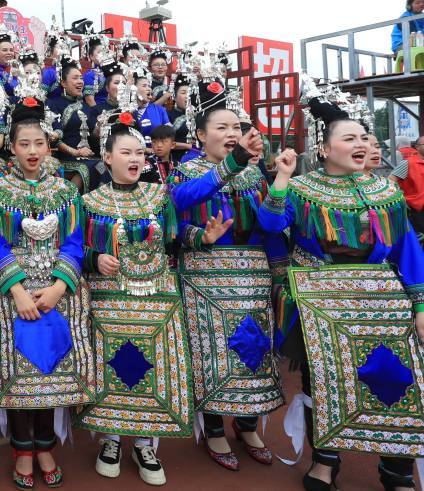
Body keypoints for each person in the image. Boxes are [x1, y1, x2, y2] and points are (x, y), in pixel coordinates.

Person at [262, 82, 424, 491]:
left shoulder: (384, 189)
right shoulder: (301, 190)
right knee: (324, 379)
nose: (360, 144)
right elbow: (270, 225)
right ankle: (325, 461)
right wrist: (282, 176)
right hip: (320, 301)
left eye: (363, 137)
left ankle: (396, 467)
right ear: (324, 149)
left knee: (392, 377)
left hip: (380, 298)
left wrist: (420, 305)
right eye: (348, 138)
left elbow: (406, 251)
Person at [169, 75, 287, 472]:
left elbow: (269, 225)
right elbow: (181, 205)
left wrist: (281, 180)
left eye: (237, 127)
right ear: (200, 135)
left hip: (251, 276)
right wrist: (202, 235)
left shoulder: (254, 175)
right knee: (213, 357)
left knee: (253, 350)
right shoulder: (187, 171)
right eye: (222, 127)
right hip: (204, 278)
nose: (232, 133)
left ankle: (249, 424)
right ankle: (216, 427)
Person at [77, 113, 199, 486]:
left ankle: (146, 443)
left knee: (154, 364)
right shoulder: (89, 200)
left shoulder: (159, 196)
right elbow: (71, 249)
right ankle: (111, 438)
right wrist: (93, 257)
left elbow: (176, 236)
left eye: (140, 153)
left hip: (157, 295)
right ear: (107, 157)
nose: (135, 159)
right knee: (112, 364)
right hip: (109, 297)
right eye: (126, 152)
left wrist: (203, 237)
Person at [0, 87, 90, 489]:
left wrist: (60, 287)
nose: (32, 150)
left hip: (56, 294)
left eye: (39, 143)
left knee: (50, 369)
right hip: (14, 295)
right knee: (19, 373)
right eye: (23, 143)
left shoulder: (65, 192)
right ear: (10, 147)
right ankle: (22, 449)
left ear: (49, 146)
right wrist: (18, 291)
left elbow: (74, 241)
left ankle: (45, 444)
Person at [49, 56, 98, 193]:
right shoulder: (54, 105)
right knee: (87, 168)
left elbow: (94, 134)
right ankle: (69, 204)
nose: (80, 81)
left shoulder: (86, 106)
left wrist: (101, 127)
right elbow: (54, 138)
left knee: (102, 165)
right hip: (65, 157)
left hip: (87, 156)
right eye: (75, 78)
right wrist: (75, 151)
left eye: (81, 78)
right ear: (63, 83)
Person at [391, 135, 424, 232]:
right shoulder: (408, 163)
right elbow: (391, 181)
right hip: (417, 209)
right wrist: (401, 200)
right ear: (417, 147)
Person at [167, 75, 193, 161]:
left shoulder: (198, 113)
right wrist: (188, 146)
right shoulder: (168, 114)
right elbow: (165, 141)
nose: (187, 96)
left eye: (190, 92)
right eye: (183, 92)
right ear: (174, 96)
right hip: (176, 158)